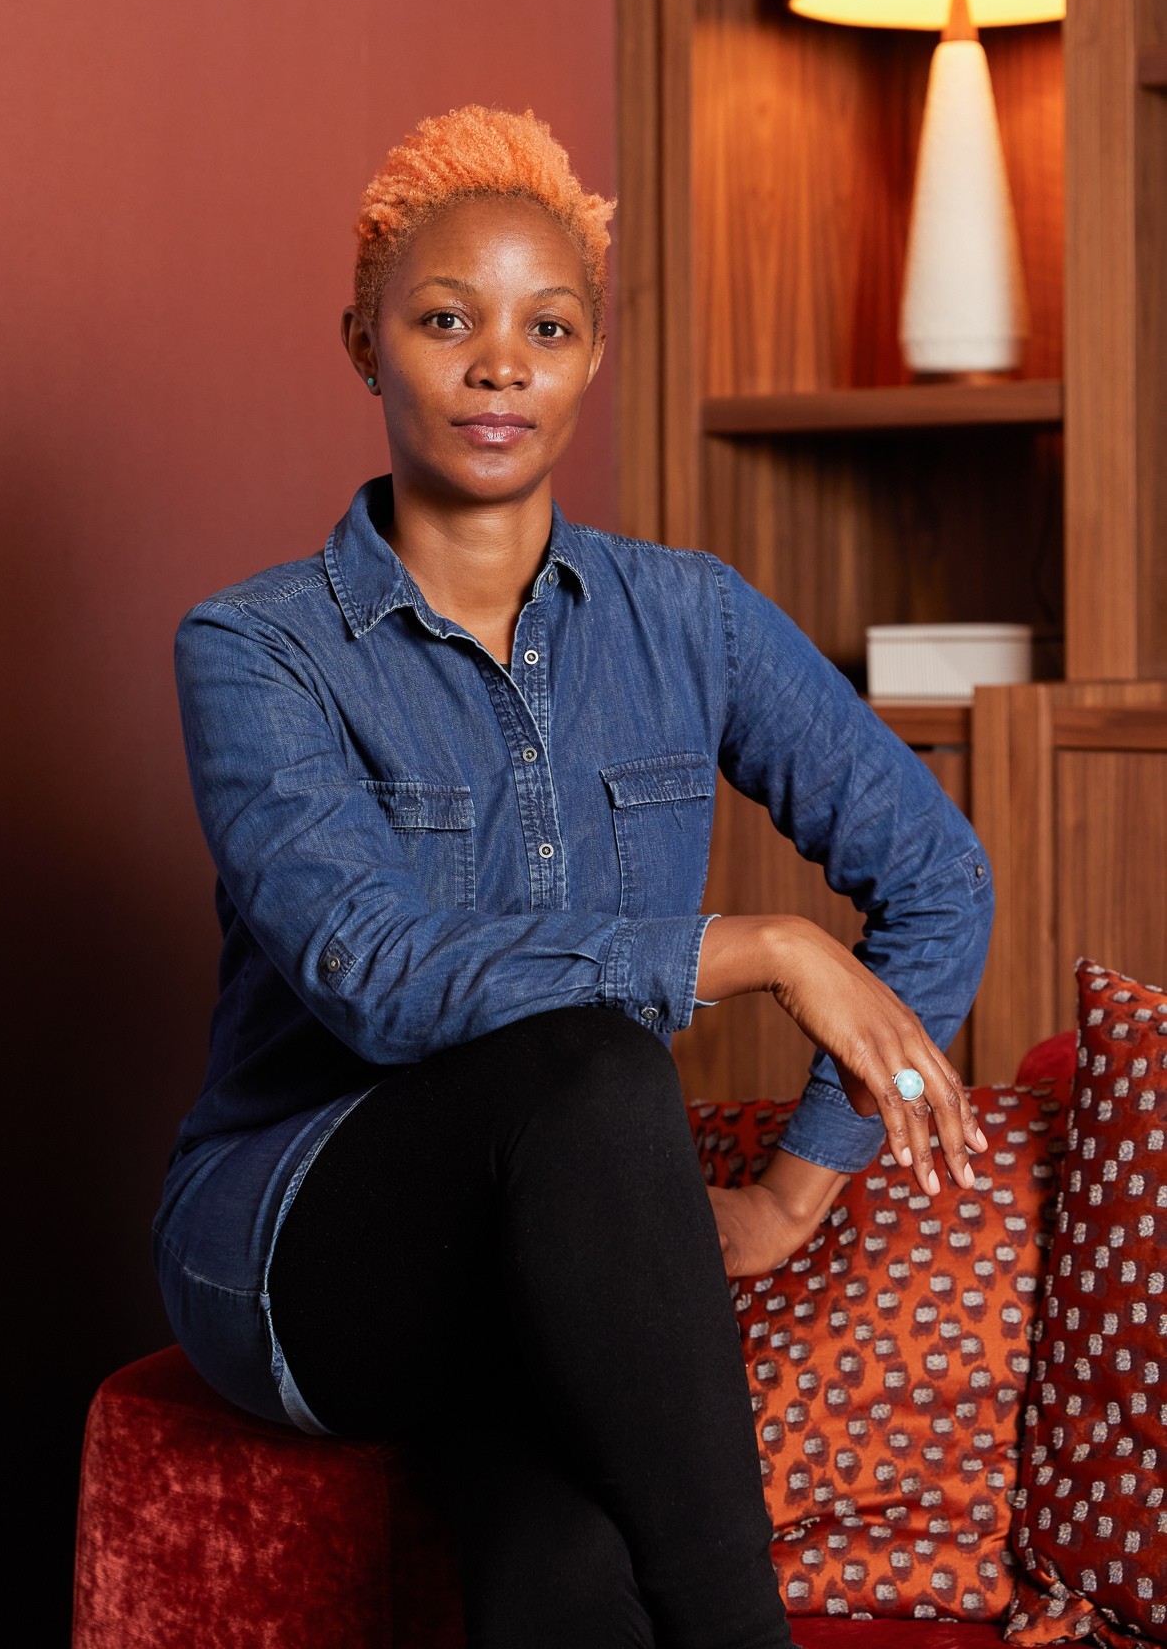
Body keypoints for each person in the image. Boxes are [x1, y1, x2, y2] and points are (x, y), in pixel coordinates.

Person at [153, 105, 995, 1649]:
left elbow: (939, 874)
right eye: (444, 321)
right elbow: (374, 977)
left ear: (590, 357)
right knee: (597, 1064)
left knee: (559, 1558)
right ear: (362, 345)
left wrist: (794, 1194)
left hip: (559, 1234)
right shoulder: (255, 648)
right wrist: (756, 946)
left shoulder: (691, 619)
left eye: (544, 327)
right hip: (303, 1240)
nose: (499, 366)